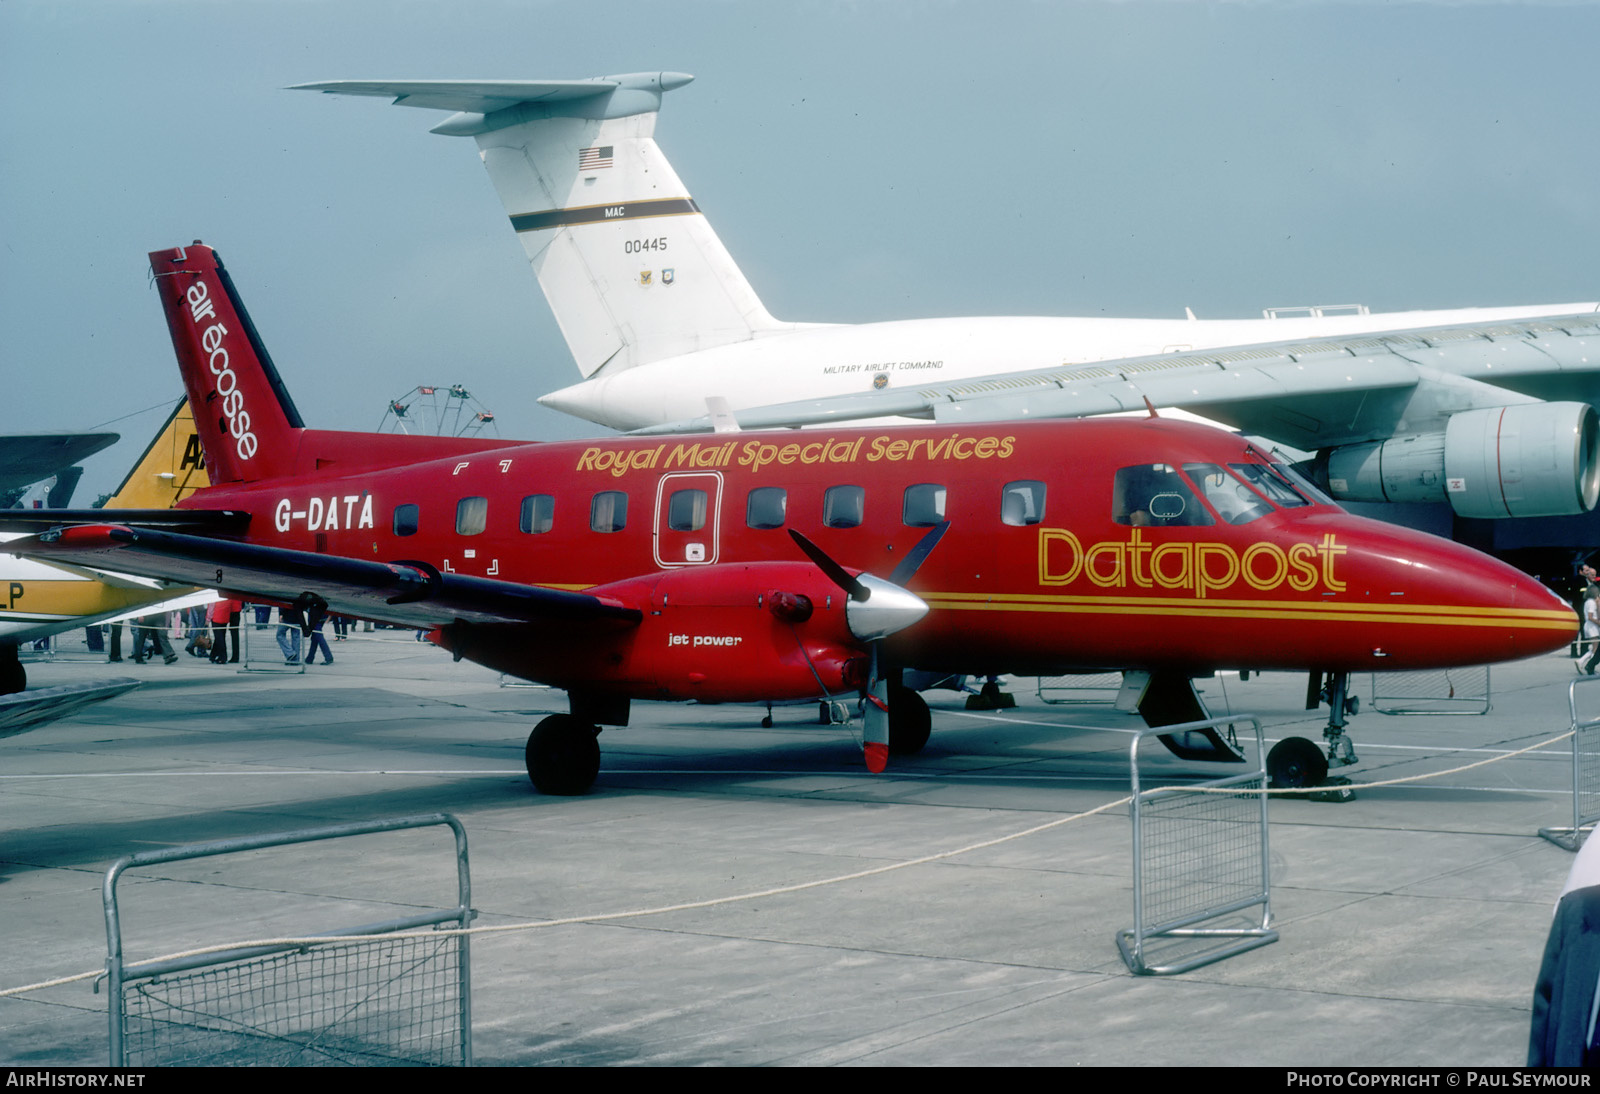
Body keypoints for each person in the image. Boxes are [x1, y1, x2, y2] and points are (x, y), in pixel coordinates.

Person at [1582, 583, 1600, 675]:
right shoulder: (1591, 602)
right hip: (1592, 626)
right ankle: (1589, 664)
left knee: (1597, 649)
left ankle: (1590, 664)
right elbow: (1590, 616)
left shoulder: (1592, 602)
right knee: (1596, 648)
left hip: (1592, 626)